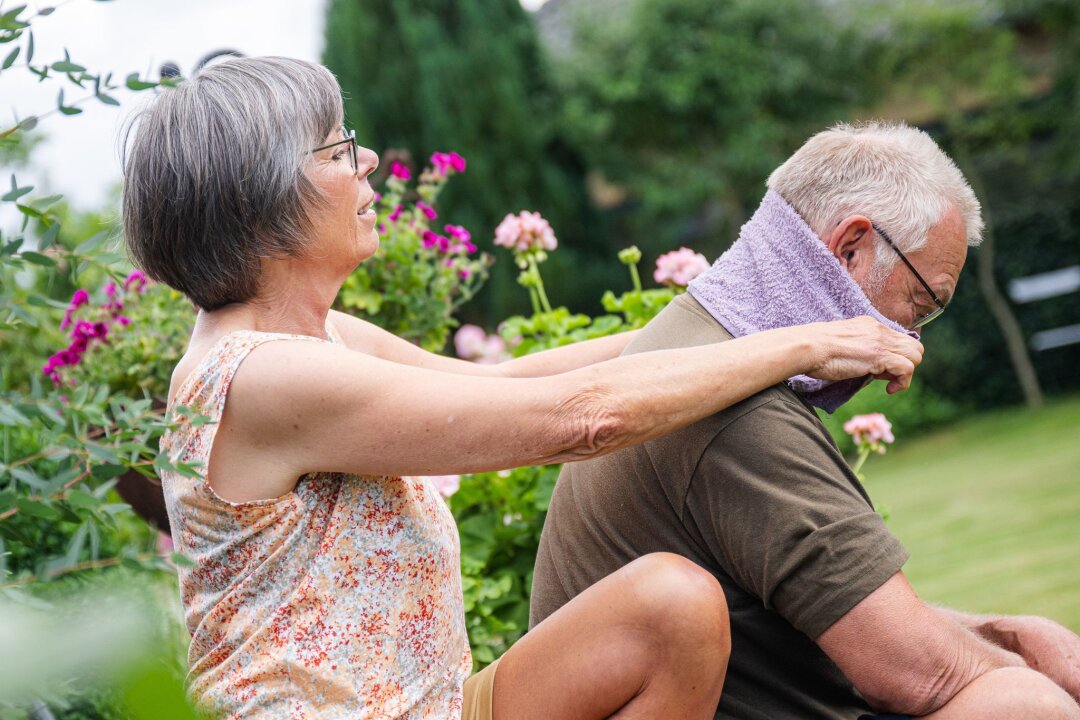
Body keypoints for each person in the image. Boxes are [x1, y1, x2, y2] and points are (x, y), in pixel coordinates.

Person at [120, 58, 923, 720]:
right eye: (336, 151)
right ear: (261, 204)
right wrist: (806, 343)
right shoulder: (263, 377)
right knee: (671, 600)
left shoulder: (315, 339)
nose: (365, 161)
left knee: (670, 609)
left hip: (429, 710)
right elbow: (584, 418)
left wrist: (733, 324)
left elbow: (513, 381)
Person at [530, 122, 1080, 720]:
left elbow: (839, 620)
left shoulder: (697, 342)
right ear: (850, 247)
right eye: (920, 306)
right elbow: (914, 674)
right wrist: (1027, 673)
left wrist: (1004, 633)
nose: (912, 344)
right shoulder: (741, 416)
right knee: (1024, 705)